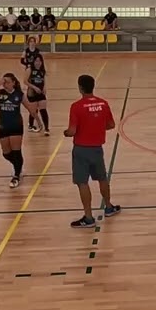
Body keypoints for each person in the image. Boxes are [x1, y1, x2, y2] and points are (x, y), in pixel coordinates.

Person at [64, 74, 120, 228]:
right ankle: (108, 207)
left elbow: (72, 130)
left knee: (82, 182)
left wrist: (66, 133)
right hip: (97, 149)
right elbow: (111, 125)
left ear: (80, 88)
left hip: (81, 149)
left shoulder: (76, 106)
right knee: (102, 178)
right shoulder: (103, 103)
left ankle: (88, 217)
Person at [0, 73, 30, 188]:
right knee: (6, 153)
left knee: (16, 151)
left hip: (16, 126)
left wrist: (38, 120)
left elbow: (29, 107)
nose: (5, 83)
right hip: (3, 127)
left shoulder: (18, 94)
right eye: (4, 81)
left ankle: (16, 176)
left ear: (13, 82)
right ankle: (18, 166)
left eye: (7, 81)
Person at [25, 55, 50, 136]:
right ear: (33, 62)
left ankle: (46, 128)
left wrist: (45, 88)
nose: (38, 63)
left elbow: (44, 80)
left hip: (41, 93)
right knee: (33, 111)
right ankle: (31, 125)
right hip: (32, 92)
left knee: (43, 110)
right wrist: (34, 87)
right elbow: (25, 81)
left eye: (39, 61)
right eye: (36, 61)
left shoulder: (42, 70)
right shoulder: (29, 70)